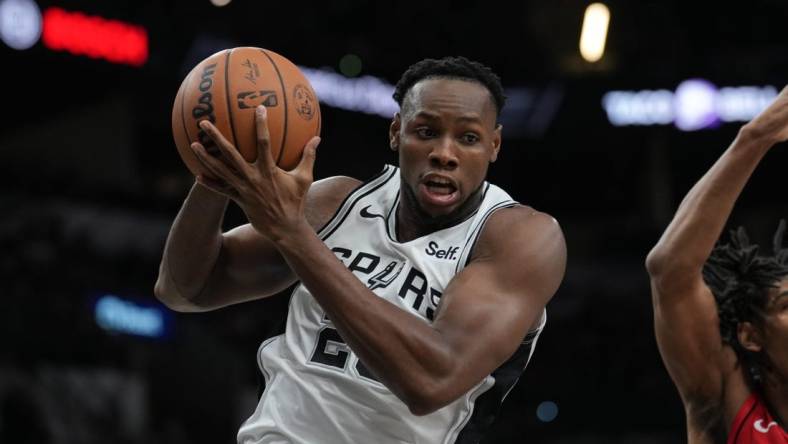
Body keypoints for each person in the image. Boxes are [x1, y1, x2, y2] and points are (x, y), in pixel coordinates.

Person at [155, 56, 566, 444]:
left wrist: (294, 236)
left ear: (494, 145)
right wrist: (217, 173)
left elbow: (431, 381)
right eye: (425, 132)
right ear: (395, 133)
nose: (444, 153)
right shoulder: (337, 202)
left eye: (469, 138)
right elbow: (185, 289)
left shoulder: (519, 237)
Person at [646, 86, 788, 443]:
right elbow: (669, 270)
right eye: (787, 305)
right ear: (751, 336)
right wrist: (755, 137)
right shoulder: (727, 396)